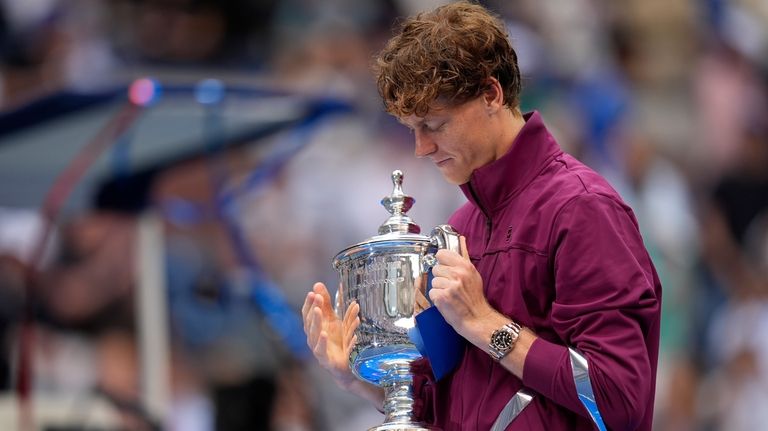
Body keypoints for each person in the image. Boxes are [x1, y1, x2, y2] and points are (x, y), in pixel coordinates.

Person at [302, 2, 662, 430]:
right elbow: (440, 412)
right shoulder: (458, 230)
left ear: (491, 94)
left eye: (434, 124)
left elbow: (617, 399)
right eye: (411, 129)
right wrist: (357, 378)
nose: (421, 148)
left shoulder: (582, 209)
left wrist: (485, 323)